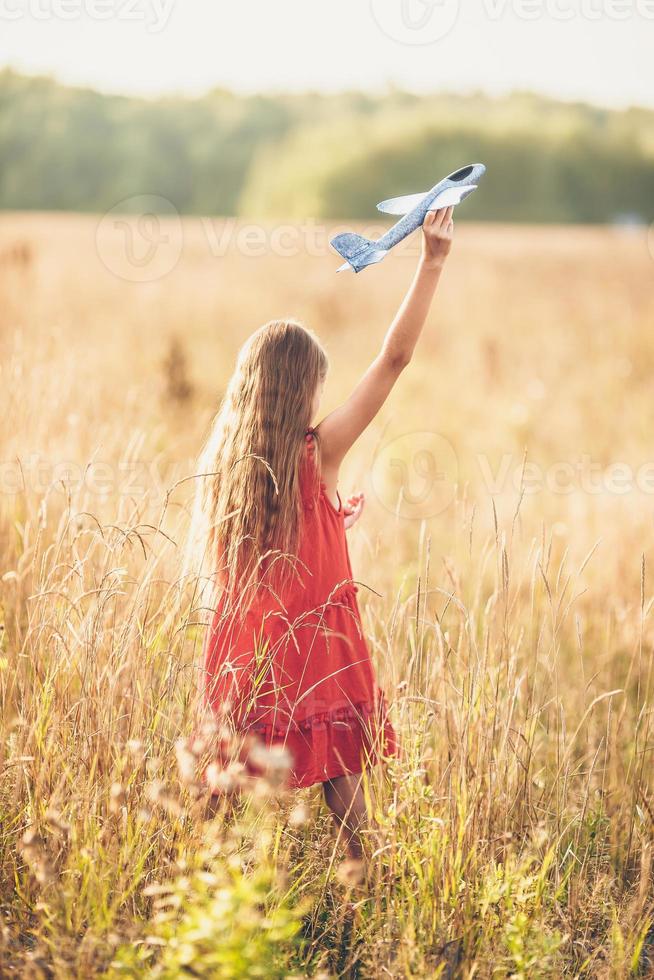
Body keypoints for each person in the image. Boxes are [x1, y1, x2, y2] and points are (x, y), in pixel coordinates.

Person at [195, 206, 455, 858]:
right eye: (318, 383)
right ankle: (369, 896)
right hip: (319, 652)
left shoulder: (225, 467)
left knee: (221, 790)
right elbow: (393, 360)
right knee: (344, 792)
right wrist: (432, 261)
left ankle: (205, 893)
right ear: (300, 390)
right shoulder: (318, 454)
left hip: (246, 653)